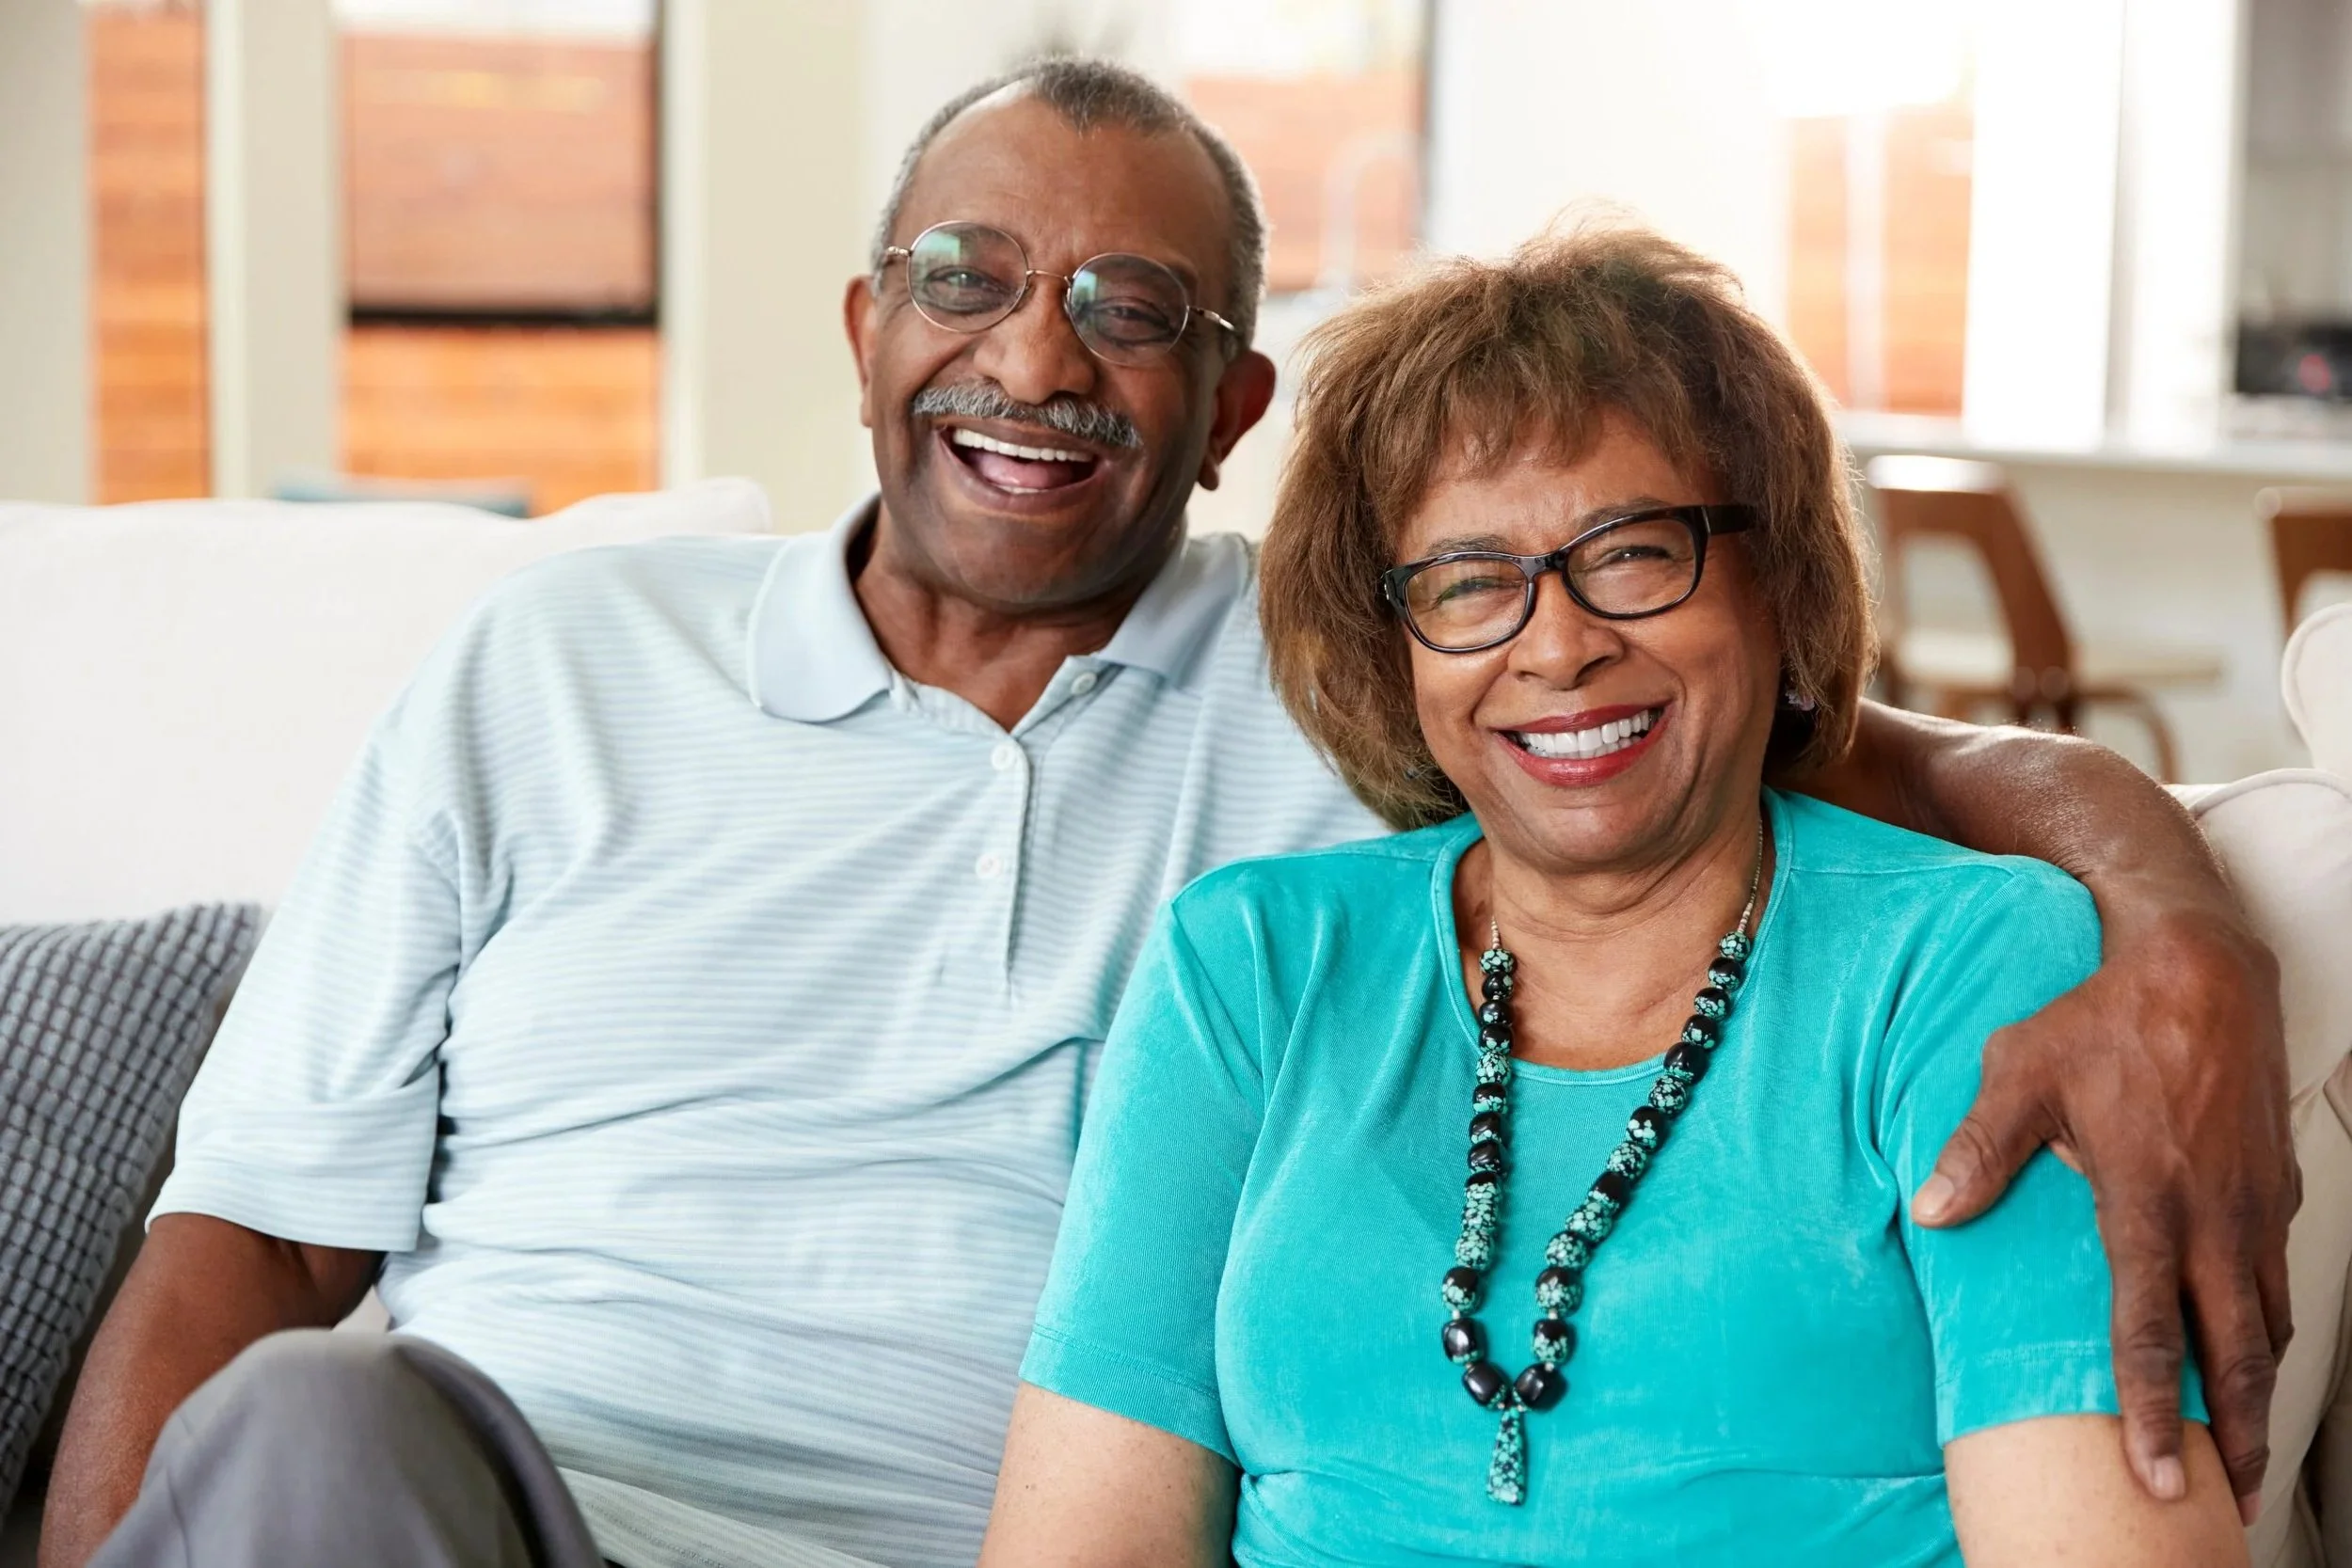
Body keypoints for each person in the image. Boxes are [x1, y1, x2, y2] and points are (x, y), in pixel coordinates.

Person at [41, 58, 2284, 1568]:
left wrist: (2178, 929)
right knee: (308, 1427)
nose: (1031, 359)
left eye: (1128, 310)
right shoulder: (559, 659)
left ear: (1223, 407)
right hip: (501, 1498)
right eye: (968, 279)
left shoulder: (1356, 688)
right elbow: (247, 1226)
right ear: (859, 327)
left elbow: (1836, 755)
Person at [980, 227, 2251, 1567]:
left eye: (1636, 552)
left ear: (1778, 581)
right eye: (1468, 582)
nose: (1562, 642)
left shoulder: (1972, 962)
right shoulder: (1250, 966)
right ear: (1392, 643)